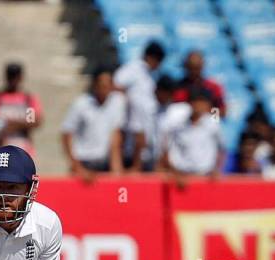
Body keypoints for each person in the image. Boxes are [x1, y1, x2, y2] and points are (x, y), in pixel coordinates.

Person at [61, 67, 126, 182]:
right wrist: (77, 167)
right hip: (84, 162)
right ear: (95, 85)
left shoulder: (117, 103)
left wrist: (116, 169)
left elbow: (116, 137)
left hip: (105, 164)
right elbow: (66, 134)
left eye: (108, 85)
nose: (105, 89)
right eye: (102, 85)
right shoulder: (81, 104)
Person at [114, 41, 165, 170]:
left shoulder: (151, 76)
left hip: (147, 128)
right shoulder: (133, 68)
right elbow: (116, 84)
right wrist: (128, 101)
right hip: (134, 126)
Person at [159, 86, 224, 185]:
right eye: (196, 102)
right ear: (190, 103)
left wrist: (217, 169)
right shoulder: (178, 123)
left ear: (208, 105)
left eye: (203, 102)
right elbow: (165, 147)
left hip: (206, 178)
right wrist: (174, 173)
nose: (199, 106)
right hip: (181, 178)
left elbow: (222, 148)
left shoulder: (213, 122)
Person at [0, 62, 43, 156]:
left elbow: (32, 122)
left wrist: (10, 124)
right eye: (10, 76)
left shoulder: (27, 99)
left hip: (23, 148)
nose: (13, 80)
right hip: (0, 148)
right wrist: (18, 123)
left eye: (15, 77)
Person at [173, 50, 226, 117]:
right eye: (190, 67)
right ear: (185, 66)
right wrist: (190, 109)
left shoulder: (213, 87)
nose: (193, 71)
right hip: (180, 125)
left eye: (196, 68)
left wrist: (208, 111)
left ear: (202, 66)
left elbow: (222, 113)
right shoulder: (175, 87)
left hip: (207, 125)